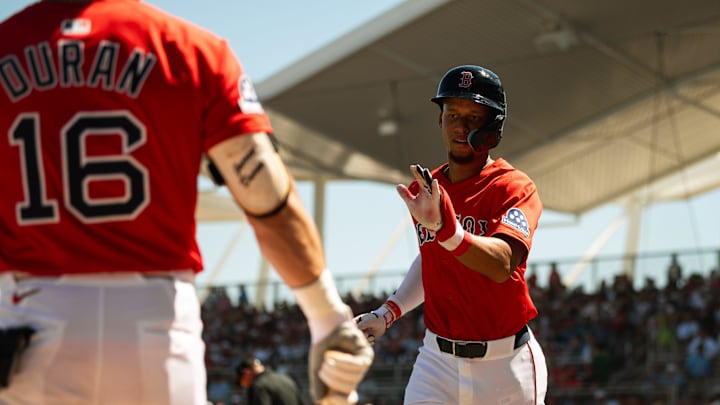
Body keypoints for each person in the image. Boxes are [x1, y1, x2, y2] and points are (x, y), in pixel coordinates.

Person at [0, 1, 372, 404]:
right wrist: (327, 316)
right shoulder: (191, 49)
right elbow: (268, 203)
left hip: (29, 321)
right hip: (157, 325)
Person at [355, 65, 548, 404]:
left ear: (493, 127)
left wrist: (448, 231)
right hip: (437, 361)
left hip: (505, 366)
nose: (461, 126)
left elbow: (503, 262)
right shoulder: (428, 189)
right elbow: (432, 258)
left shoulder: (513, 187)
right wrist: (389, 312)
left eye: (474, 117)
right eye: (453, 113)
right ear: (440, 120)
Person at [236, 355, 309, 405]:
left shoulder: (259, 386)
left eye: (243, 382)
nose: (245, 386)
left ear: (247, 373)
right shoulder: (286, 378)